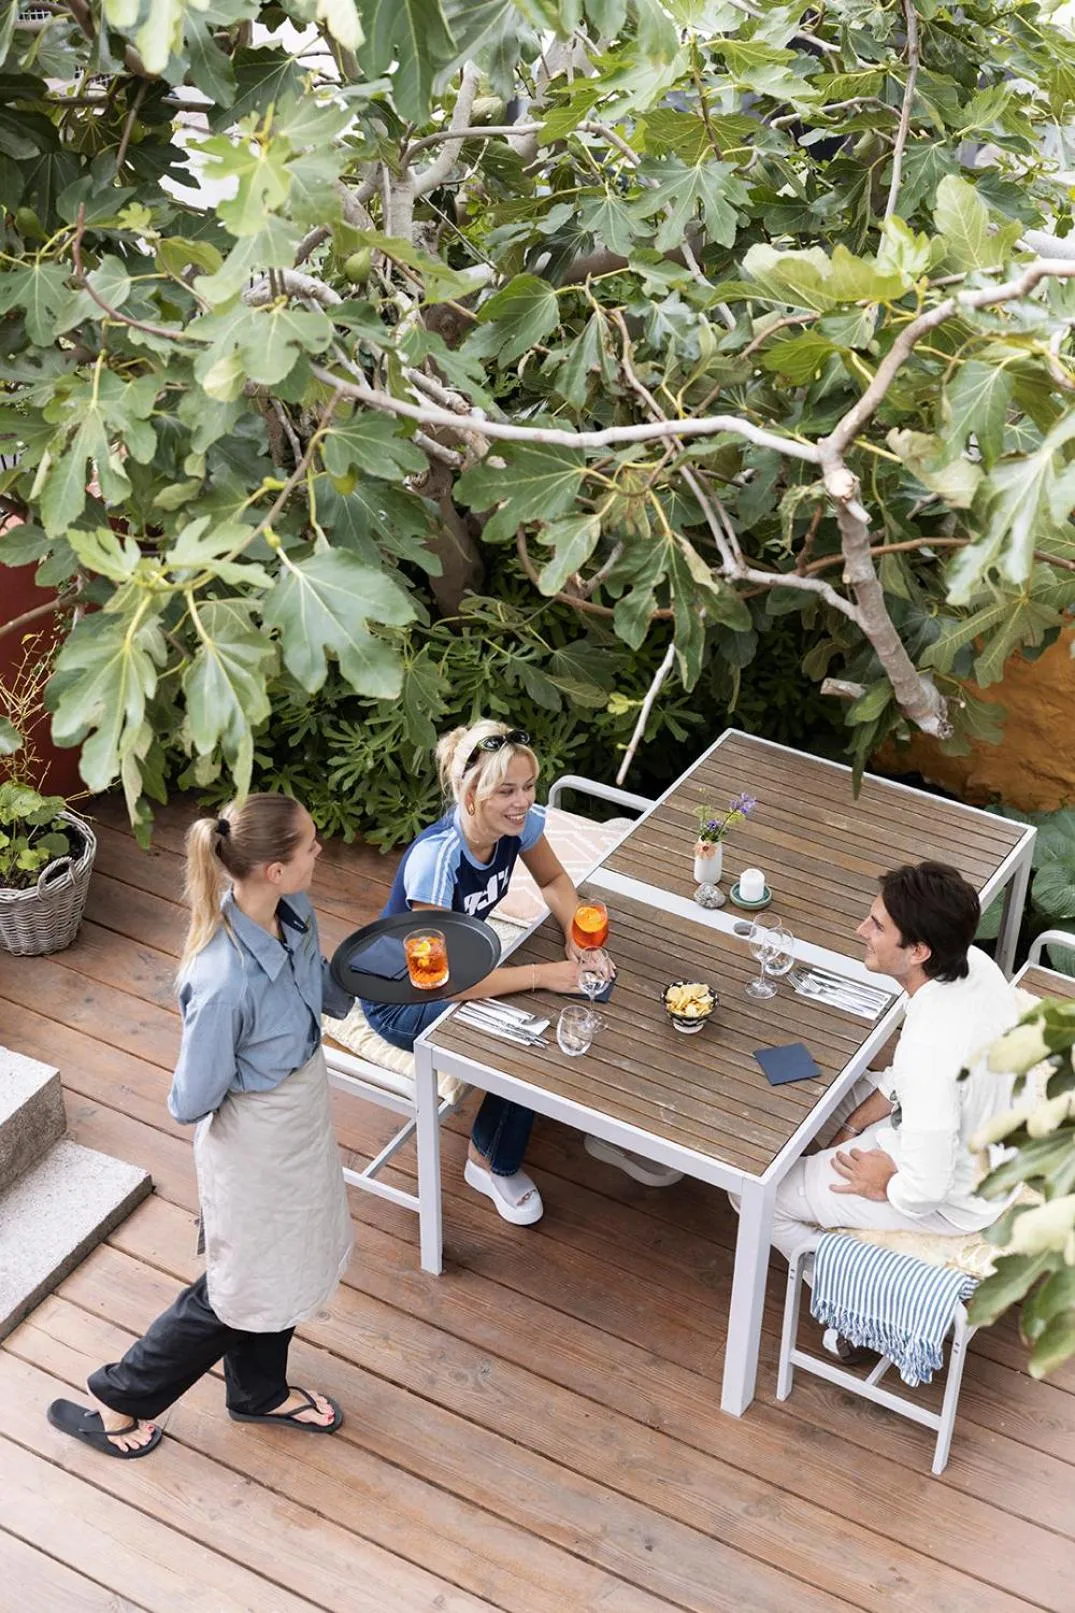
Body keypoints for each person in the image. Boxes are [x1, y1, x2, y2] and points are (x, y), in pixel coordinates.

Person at [47, 794, 355, 1458]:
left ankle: (258, 1391)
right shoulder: (221, 979)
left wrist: (378, 976)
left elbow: (328, 995)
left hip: (303, 1110)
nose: (319, 851)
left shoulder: (295, 911)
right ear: (273, 868)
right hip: (255, 1136)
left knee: (286, 1264)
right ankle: (118, 1396)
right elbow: (190, 1100)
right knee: (239, 1283)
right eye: (309, 844)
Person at [361, 720, 637, 1226]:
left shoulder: (519, 826)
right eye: (506, 791)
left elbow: (553, 879)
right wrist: (543, 975)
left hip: (466, 966)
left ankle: (595, 1116)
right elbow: (443, 980)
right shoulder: (436, 861)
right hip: (403, 996)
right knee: (530, 1038)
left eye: (529, 787)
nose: (522, 802)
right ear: (471, 793)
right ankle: (488, 1160)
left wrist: (577, 938)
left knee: (597, 985)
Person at [769, 861, 1020, 1282]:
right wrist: (851, 1126)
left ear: (919, 952)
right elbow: (904, 1078)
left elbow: (927, 1188)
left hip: (954, 1198)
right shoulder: (973, 964)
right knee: (811, 1099)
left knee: (763, 1195)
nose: (860, 931)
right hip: (979, 1143)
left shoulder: (931, 1053)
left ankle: (845, 1302)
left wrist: (886, 1185)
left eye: (877, 927)